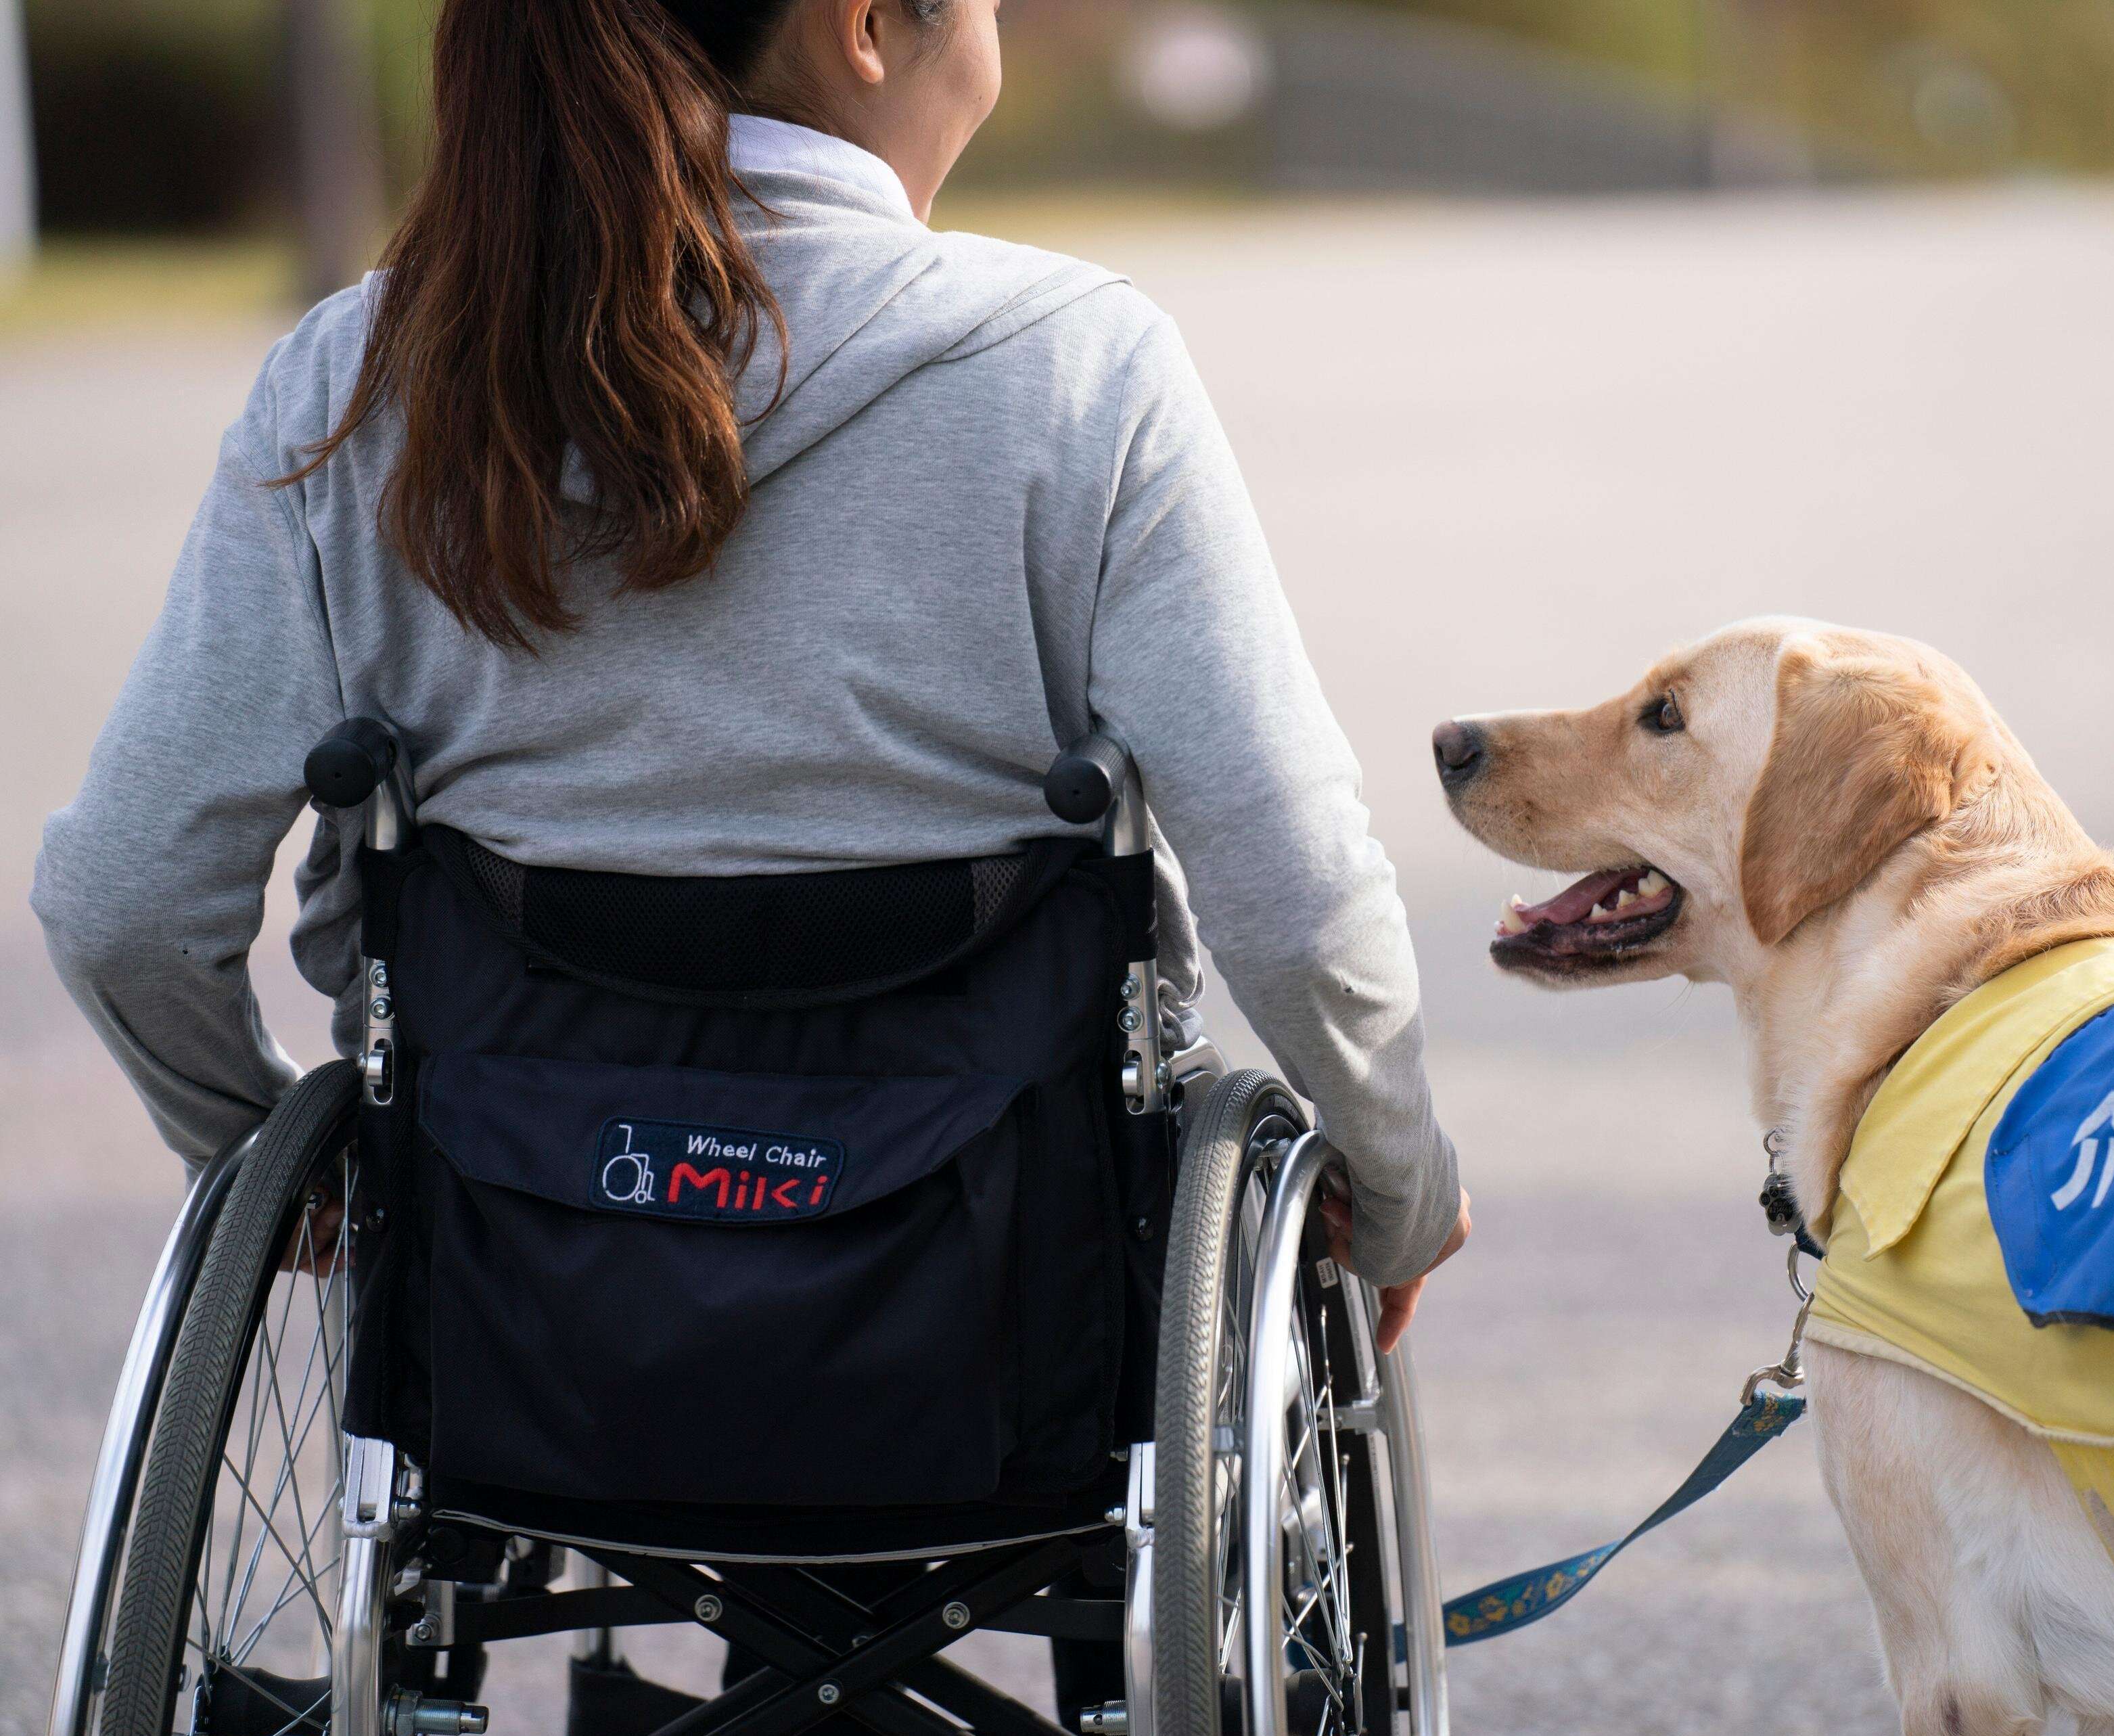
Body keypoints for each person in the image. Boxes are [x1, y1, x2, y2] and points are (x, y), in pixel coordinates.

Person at [34, 0, 1465, 1323]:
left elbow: (123, 903)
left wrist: (266, 1149)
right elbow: (1293, 896)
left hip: (512, 1285)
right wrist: (1394, 1184)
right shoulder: (1080, 371)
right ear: (861, 27)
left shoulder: (363, 384)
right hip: (996, 1286)